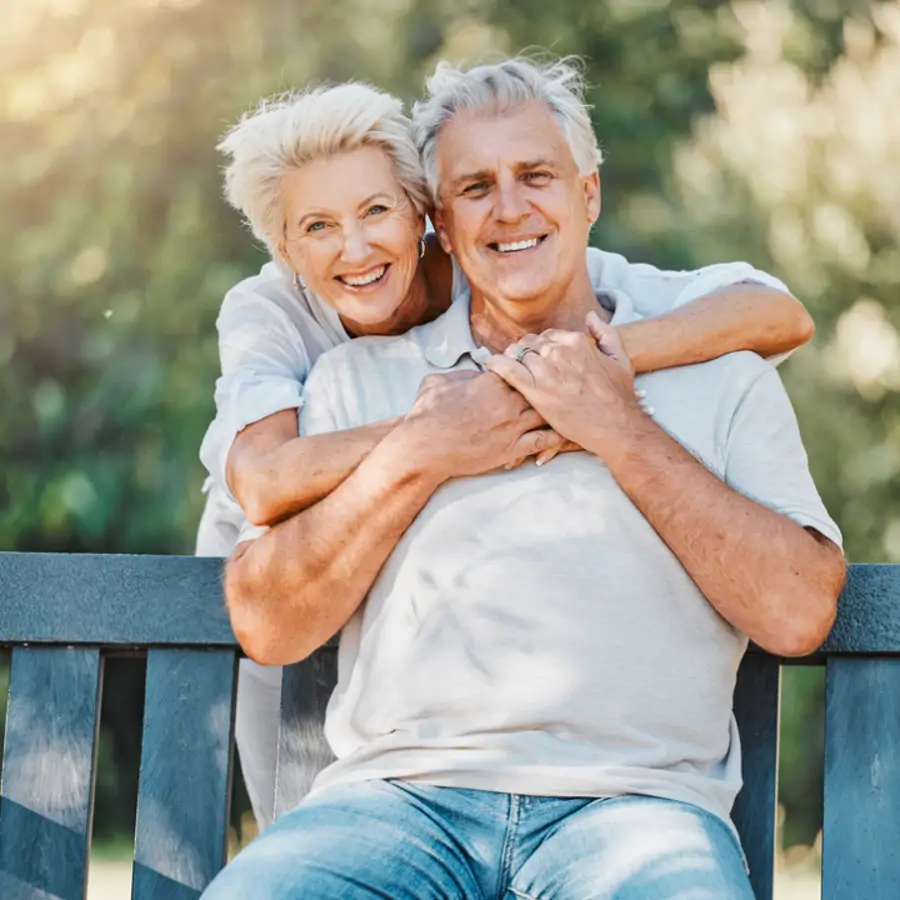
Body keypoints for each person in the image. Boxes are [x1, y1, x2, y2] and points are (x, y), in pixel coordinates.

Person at [202, 56, 845, 898]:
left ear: (589, 196)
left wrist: (616, 422)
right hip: (398, 807)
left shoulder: (720, 370)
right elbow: (267, 622)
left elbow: (800, 611)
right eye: (475, 188)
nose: (509, 209)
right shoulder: (349, 380)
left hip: (637, 811)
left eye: (535, 175)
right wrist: (422, 449)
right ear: (442, 221)